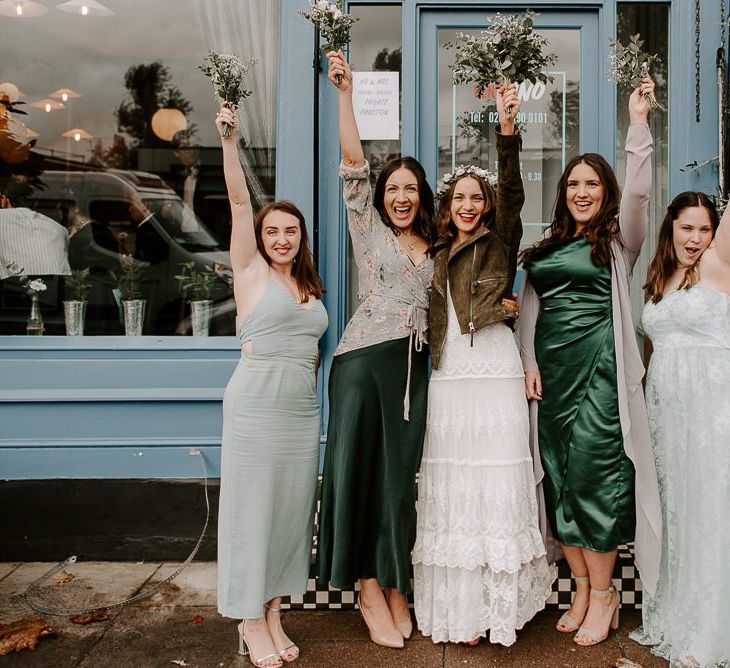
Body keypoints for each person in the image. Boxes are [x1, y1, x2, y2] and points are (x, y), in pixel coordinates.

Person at [517, 78, 662, 647]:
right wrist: (528, 361)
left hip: (600, 377)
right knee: (560, 485)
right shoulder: (549, 243)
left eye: (592, 184)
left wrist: (638, 127)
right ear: (563, 192)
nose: (582, 192)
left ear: (606, 192)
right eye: (574, 183)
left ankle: (605, 597)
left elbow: (640, 198)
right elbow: (529, 313)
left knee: (596, 483)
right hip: (550, 379)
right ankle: (579, 588)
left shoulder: (619, 243)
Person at [412, 83, 556, 647]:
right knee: (456, 484)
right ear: (447, 208)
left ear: (487, 206)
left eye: (477, 198)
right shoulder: (437, 252)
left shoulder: (500, 238)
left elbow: (515, 193)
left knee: (494, 481)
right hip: (450, 375)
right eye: (459, 200)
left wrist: (506, 130)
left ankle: (500, 609)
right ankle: (462, 609)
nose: (468, 206)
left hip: (493, 368)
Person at [316, 50, 436, 649]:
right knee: (362, 475)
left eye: (411, 190)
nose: (401, 197)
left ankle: (395, 582)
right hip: (363, 364)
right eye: (394, 189)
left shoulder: (440, 248)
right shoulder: (368, 229)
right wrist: (345, 93)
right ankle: (366, 586)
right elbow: (352, 164)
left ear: (423, 198)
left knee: (399, 482)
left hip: (414, 371)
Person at [214, 103, 328, 668]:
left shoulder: (308, 285)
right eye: (272, 231)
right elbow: (239, 201)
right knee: (252, 514)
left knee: (288, 516)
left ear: (301, 238)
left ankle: (276, 613)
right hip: (256, 402)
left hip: (301, 411)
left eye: (290, 231)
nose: (281, 239)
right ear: (260, 237)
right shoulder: (251, 271)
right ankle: (249, 621)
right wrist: (231, 142)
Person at [630, 192, 730, 667]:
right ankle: (676, 612)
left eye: (704, 229)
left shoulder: (716, 262)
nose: (695, 239)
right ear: (671, 228)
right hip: (667, 416)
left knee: (712, 509)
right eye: (686, 228)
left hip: (712, 411)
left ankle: (713, 627)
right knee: (677, 511)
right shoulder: (659, 277)